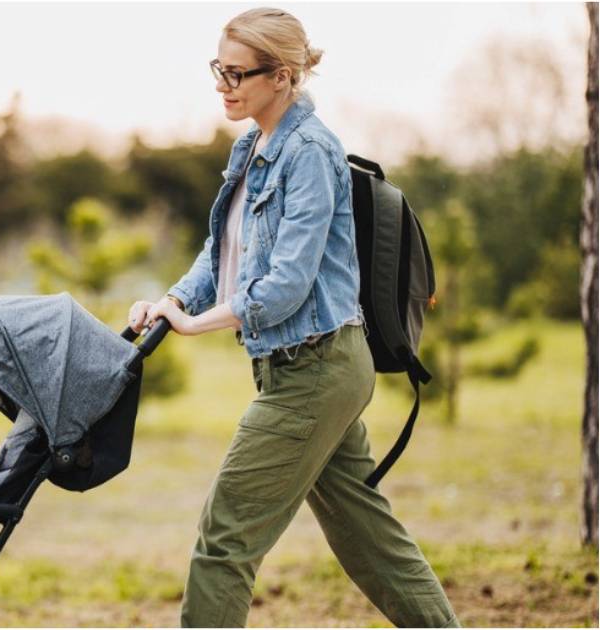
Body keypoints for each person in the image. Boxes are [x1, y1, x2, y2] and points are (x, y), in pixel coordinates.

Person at [127, 8, 458, 627]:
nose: (222, 85)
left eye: (237, 74)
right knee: (371, 540)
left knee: (224, 540)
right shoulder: (252, 146)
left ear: (281, 76)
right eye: (217, 70)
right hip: (301, 370)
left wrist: (202, 324)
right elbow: (221, 250)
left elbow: (287, 283)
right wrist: (171, 302)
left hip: (316, 370)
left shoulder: (309, 151)